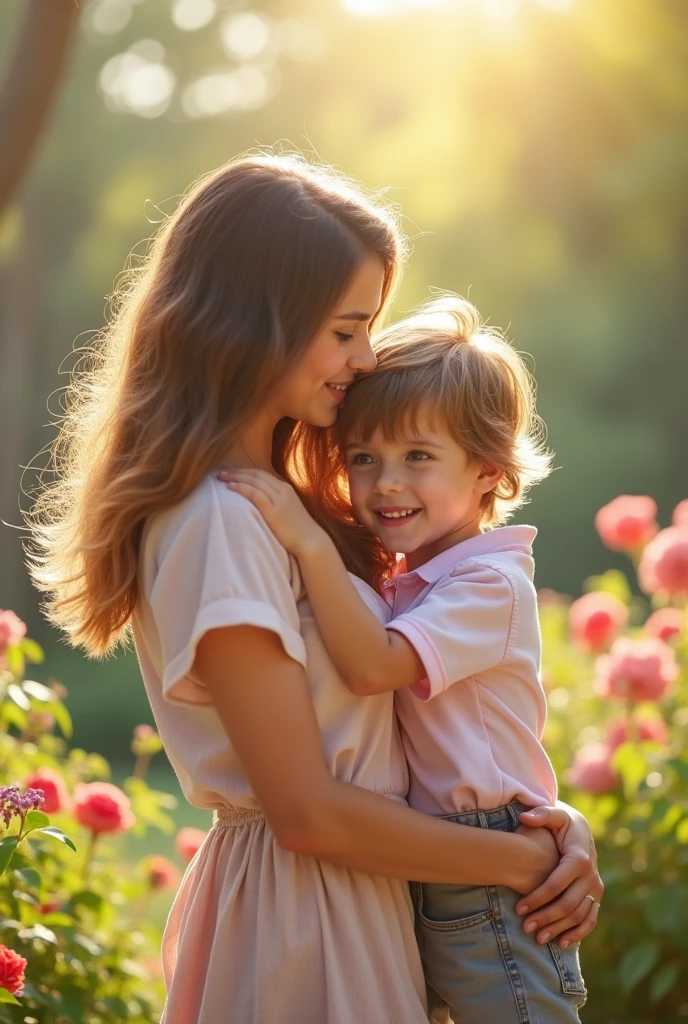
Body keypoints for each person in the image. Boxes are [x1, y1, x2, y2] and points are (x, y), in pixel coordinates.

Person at [27, 153, 602, 1024]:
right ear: (254, 322)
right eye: (345, 329)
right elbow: (305, 811)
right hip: (305, 915)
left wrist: (549, 827)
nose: (365, 357)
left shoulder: (283, 502)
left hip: (363, 896)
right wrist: (526, 864)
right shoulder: (222, 521)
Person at [219, 294, 598, 1022]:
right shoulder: (418, 576)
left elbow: (372, 668)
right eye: (365, 458)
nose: (386, 483)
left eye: (418, 457)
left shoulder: (488, 584)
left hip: (485, 861)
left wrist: (304, 540)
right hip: (428, 852)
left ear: (489, 471)